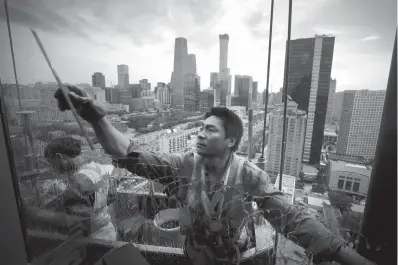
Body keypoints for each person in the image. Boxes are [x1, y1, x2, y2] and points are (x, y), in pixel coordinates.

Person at [54, 85, 376, 265]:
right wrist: (95, 118)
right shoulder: (182, 165)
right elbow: (131, 155)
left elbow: (291, 217)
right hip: (192, 257)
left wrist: (345, 254)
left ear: (231, 141)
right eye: (200, 128)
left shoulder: (248, 176)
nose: (200, 134)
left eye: (209, 129)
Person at [24, 136, 117, 241]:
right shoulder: (97, 167)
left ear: (59, 157)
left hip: (93, 237)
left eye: (52, 163)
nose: (53, 168)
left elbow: (75, 222)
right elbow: (110, 198)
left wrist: (36, 214)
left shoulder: (79, 180)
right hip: (107, 230)